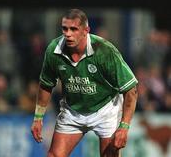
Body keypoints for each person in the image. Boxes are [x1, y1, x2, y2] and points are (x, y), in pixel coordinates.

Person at [31, 8, 138, 157]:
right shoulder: (53, 50)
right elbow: (45, 84)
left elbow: (131, 90)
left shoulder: (104, 50)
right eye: (65, 28)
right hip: (73, 110)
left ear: (86, 30)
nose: (68, 34)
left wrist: (124, 127)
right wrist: (38, 118)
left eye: (73, 29)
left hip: (106, 109)